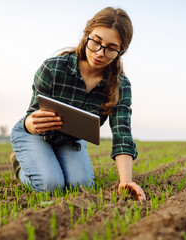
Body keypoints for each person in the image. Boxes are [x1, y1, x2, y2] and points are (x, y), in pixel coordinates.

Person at [10, 7, 146, 202]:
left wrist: (126, 181)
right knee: (51, 185)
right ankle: (18, 163)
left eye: (111, 48)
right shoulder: (53, 68)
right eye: (96, 42)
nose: (100, 53)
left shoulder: (120, 86)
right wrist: (31, 123)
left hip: (71, 139)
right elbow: (33, 115)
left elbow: (122, 133)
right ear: (86, 35)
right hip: (35, 134)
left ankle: (53, 159)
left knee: (80, 186)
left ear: (120, 51)